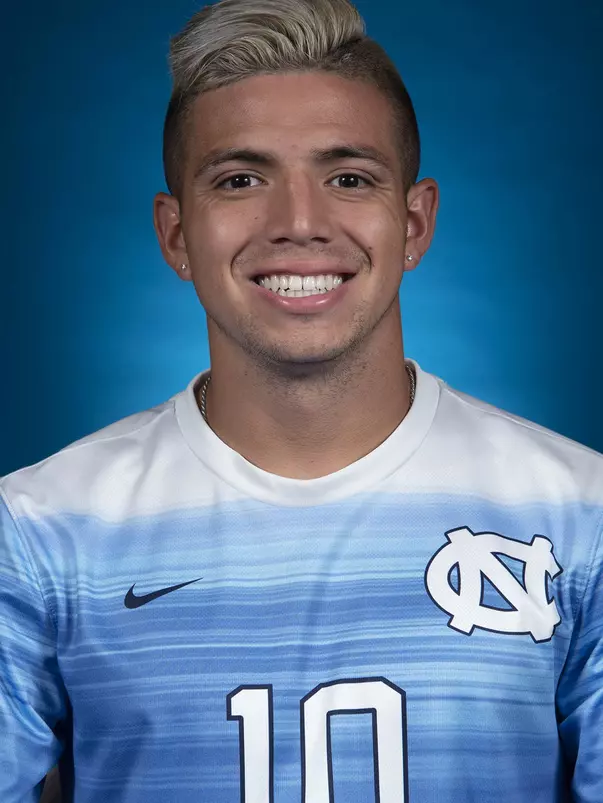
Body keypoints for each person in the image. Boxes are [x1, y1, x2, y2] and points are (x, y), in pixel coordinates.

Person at [1, 0, 601, 799]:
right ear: (176, 234)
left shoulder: (581, 514)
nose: (299, 222)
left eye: (348, 177)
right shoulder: (39, 531)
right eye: (241, 179)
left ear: (414, 223)